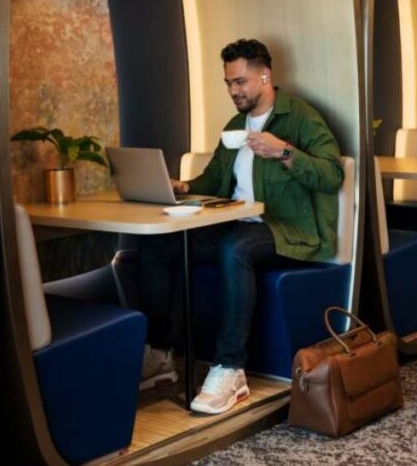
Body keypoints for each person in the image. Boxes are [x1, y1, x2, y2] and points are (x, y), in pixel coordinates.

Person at [138, 39, 344, 414]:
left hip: (288, 231)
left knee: (236, 247)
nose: (234, 91)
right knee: (158, 246)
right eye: (229, 83)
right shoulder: (234, 126)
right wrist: (183, 187)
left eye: (241, 82)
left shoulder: (300, 117)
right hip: (240, 223)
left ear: (265, 75)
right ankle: (161, 353)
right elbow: (213, 180)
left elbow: (332, 175)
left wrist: (282, 151)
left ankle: (230, 368)